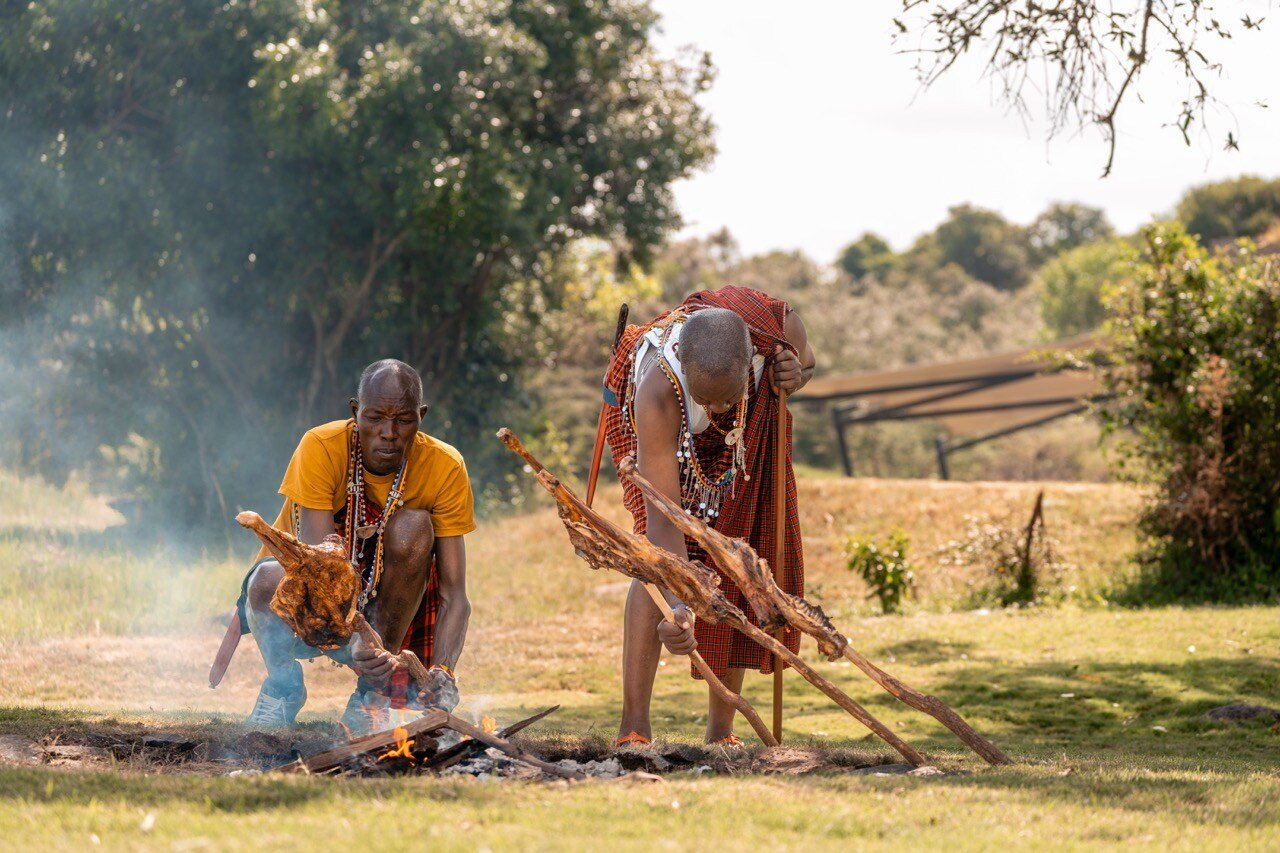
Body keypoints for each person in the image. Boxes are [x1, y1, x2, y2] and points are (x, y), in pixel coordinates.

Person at [602, 285, 816, 746]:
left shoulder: (777, 332)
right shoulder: (657, 388)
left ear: (750, 364)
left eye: (726, 397)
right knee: (650, 563)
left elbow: (808, 364)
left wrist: (795, 374)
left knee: (740, 555)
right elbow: (664, 520)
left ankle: (722, 732)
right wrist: (680, 605)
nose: (717, 409)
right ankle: (634, 726)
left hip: (744, 439)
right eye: (707, 400)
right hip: (659, 442)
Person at [237, 359, 475, 734]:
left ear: (421, 417)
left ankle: (371, 697)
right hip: (311, 592)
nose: (389, 432)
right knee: (265, 579)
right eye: (376, 417)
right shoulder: (321, 446)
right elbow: (322, 577)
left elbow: (455, 595)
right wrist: (359, 643)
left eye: (404, 420)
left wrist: (443, 672)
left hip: (394, 603)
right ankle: (282, 688)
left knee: (415, 526)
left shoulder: (445, 466)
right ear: (355, 412)